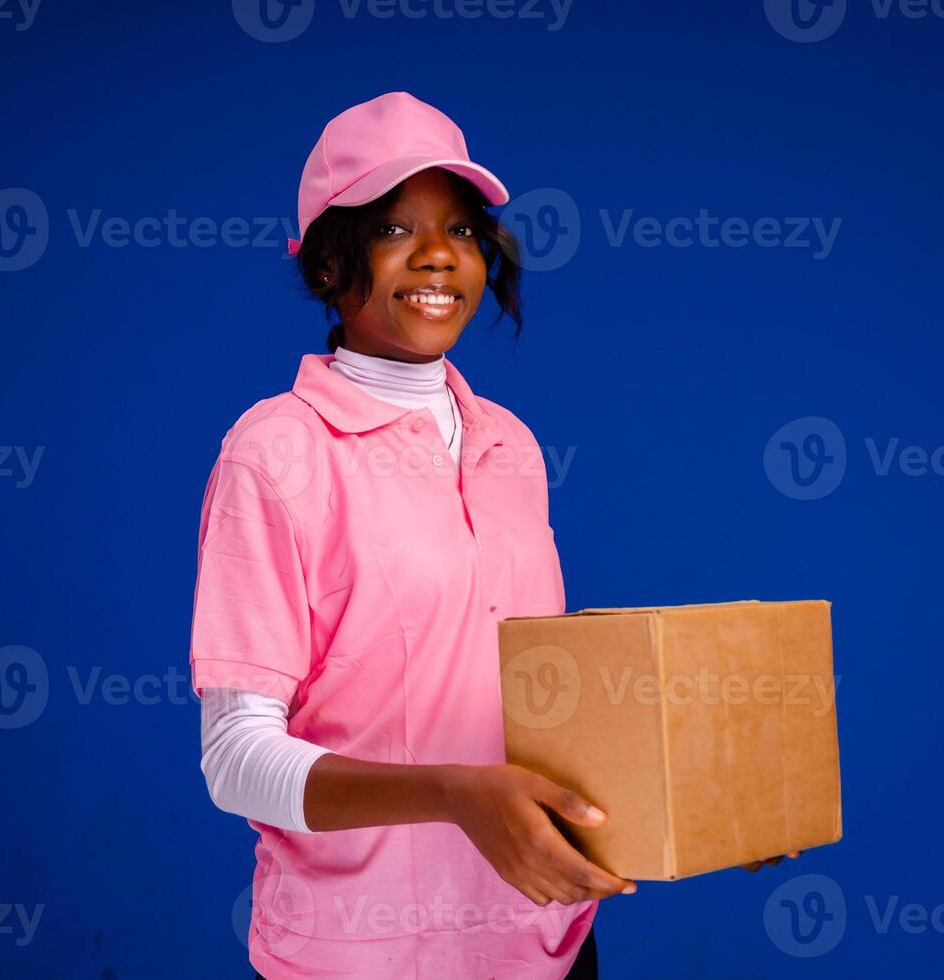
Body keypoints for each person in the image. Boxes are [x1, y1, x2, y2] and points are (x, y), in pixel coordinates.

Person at [190, 91, 794, 980]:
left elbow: (535, 696)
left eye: (463, 231)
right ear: (326, 264)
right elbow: (235, 761)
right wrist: (452, 796)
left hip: (541, 941)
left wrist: (702, 793)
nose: (439, 253)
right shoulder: (275, 453)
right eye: (395, 227)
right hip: (363, 956)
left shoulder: (508, 444)